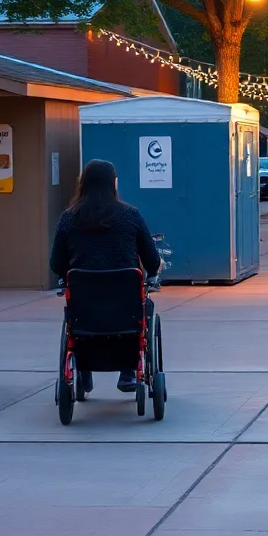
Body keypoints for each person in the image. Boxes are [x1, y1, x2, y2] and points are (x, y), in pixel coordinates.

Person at [50, 160, 161, 392]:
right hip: (125, 304)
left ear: (83, 184)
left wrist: (65, 274)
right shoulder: (131, 215)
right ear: (113, 184)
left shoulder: (69, 218)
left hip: (84, 306)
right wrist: (153, 275)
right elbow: (151, 259)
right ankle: (129, 371)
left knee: (75, 316)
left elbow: (56, 263)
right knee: (145, 307)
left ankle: (83, 370)